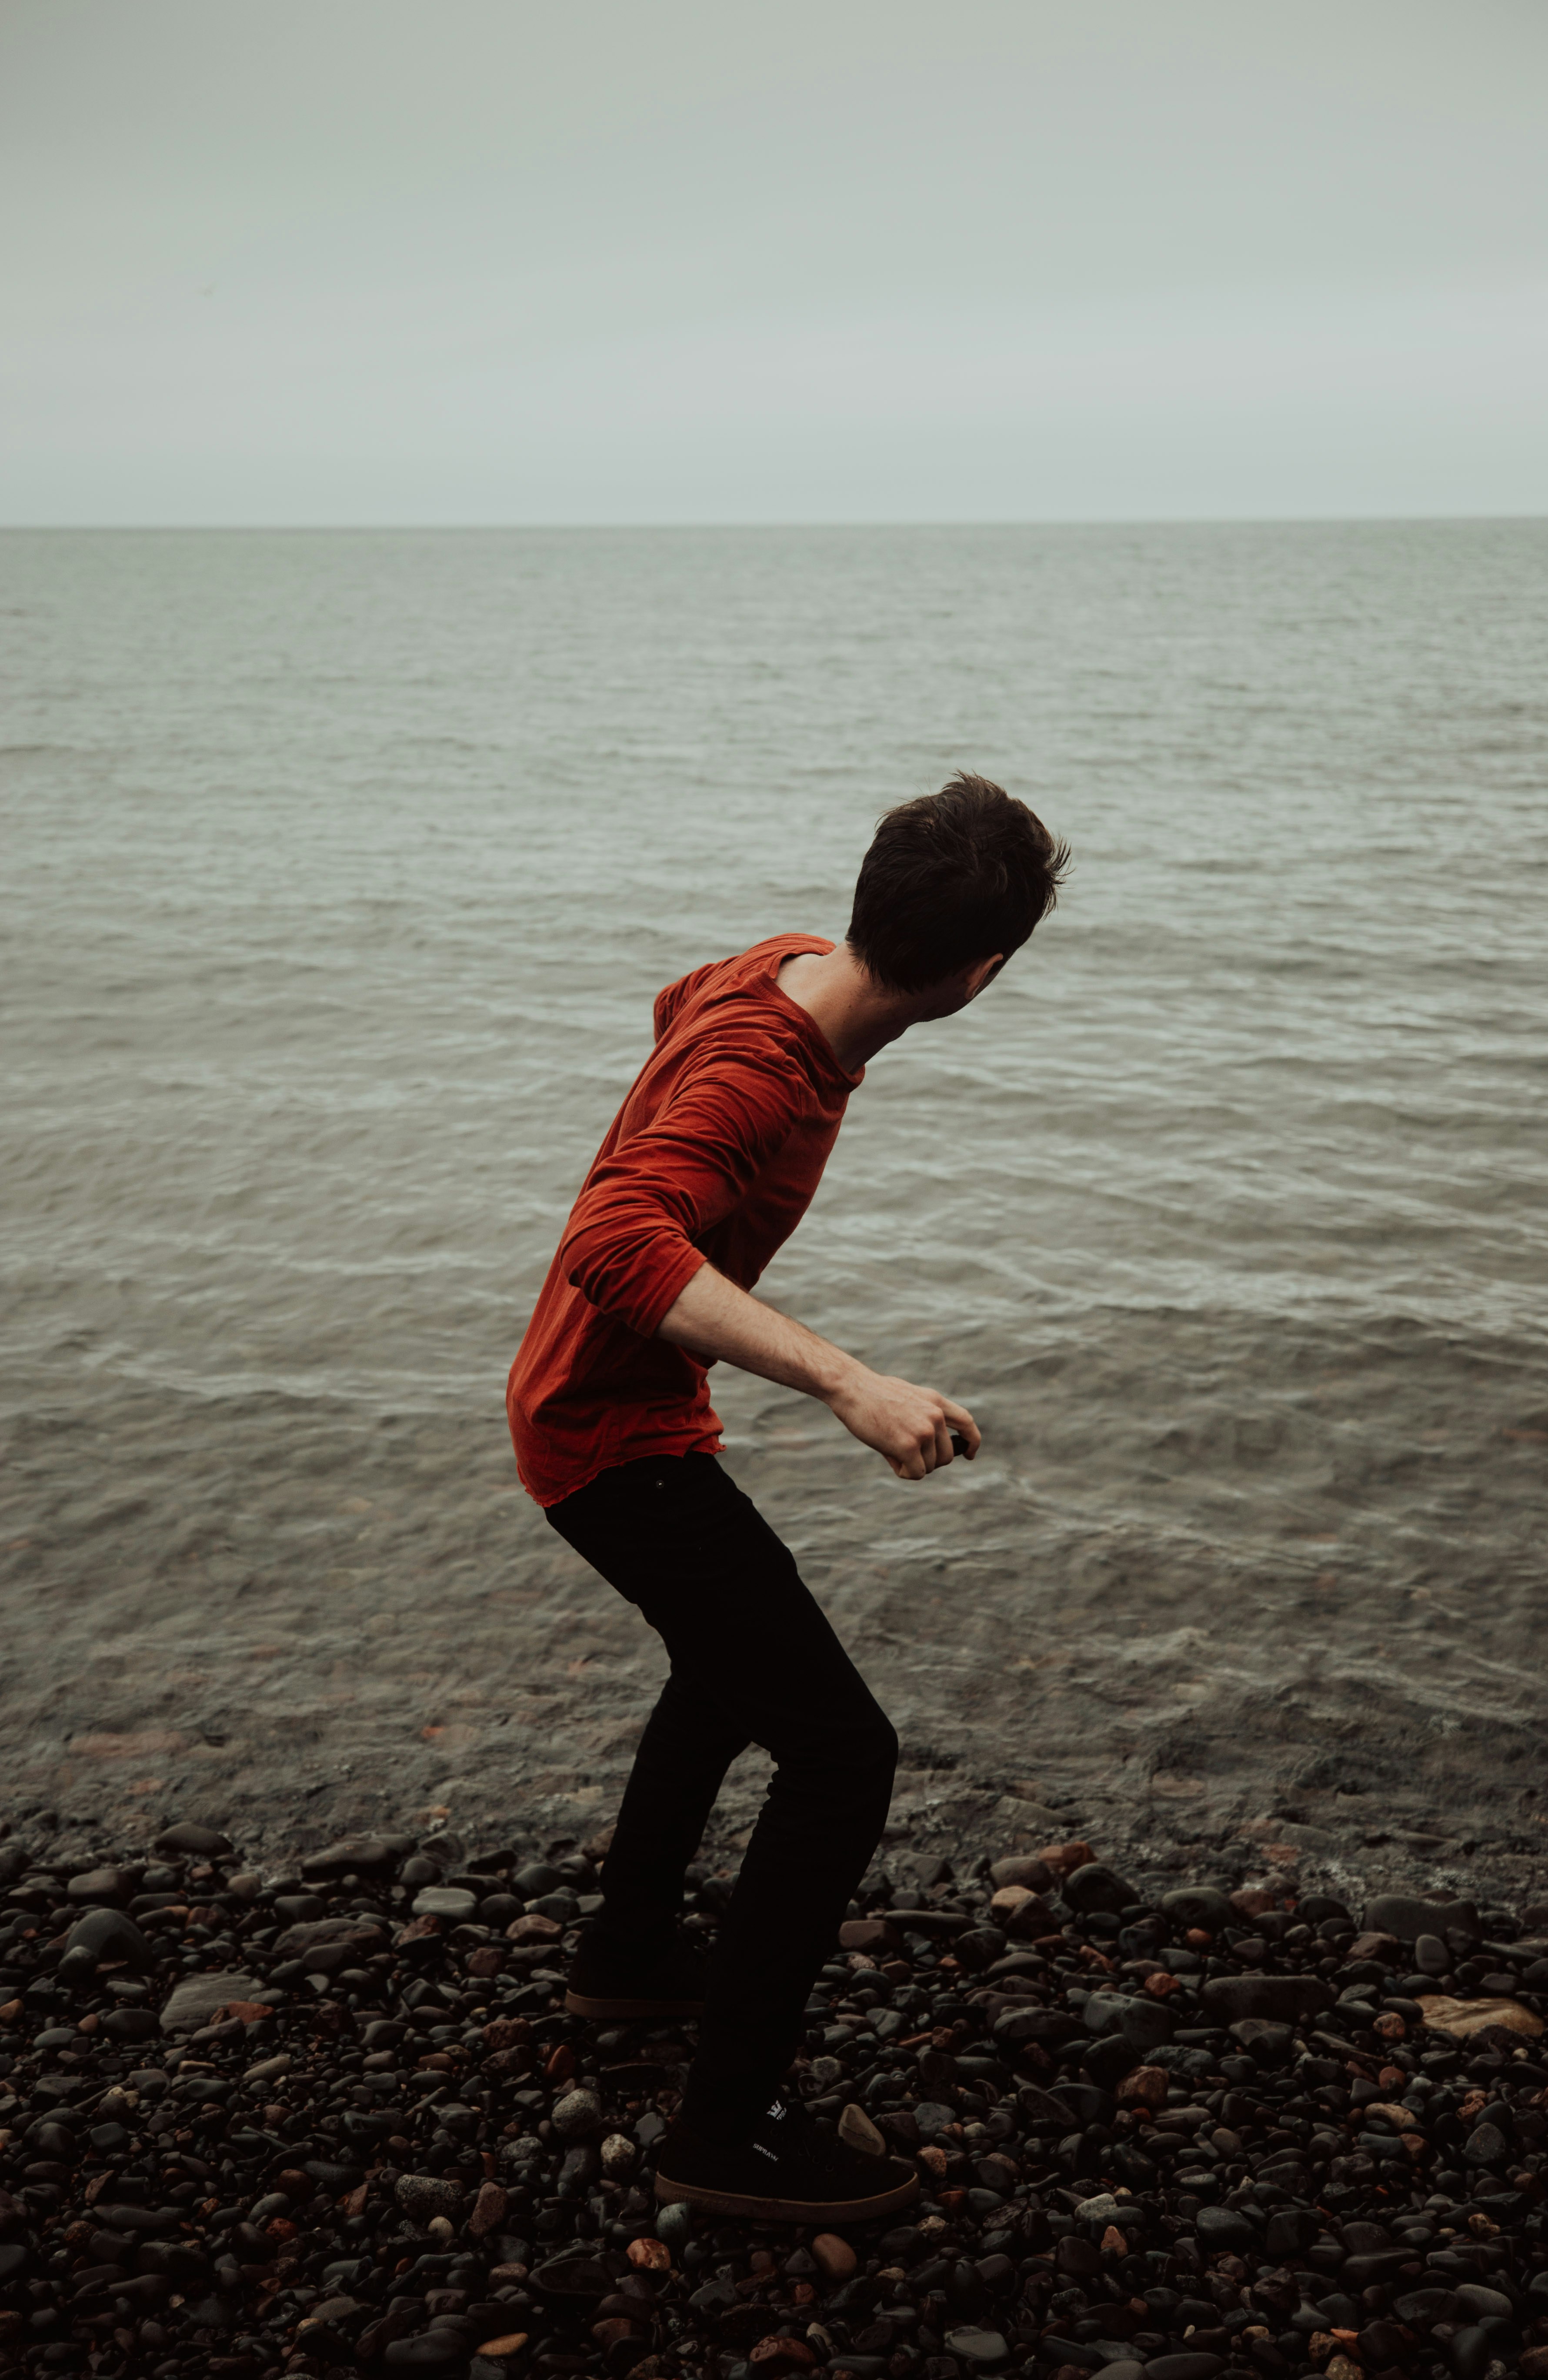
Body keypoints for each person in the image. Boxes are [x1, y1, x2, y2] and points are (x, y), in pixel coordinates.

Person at [506, 771, 1067, 2223]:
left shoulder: (778, 967)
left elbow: (673, 1005)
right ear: (980, 975)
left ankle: (628, 1959)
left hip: (613, 1404)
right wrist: (848, 1384)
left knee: (723, 1672)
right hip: (605, 1437)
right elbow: (611, 1242)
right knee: (841, 1756)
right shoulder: (765, 1073)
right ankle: (723, 2133)